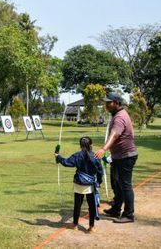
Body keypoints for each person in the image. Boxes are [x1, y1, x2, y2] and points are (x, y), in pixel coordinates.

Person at [95, 92, 138, 223]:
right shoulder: (118, 114)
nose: (107, 105)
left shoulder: (119, 117)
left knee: (125, 185)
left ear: (117, 103)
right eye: (106, 102)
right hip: (119, 156)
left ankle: (129, 214)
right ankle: (116, 209)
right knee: (118, 184)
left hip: (125, 157)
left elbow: (114, 135)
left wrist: (104, 149)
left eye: (109, 102)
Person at [55, 136, 103, 232]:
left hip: (79, 184)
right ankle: (91, 227)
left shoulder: (77, 155)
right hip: (90, 185)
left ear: (80, 146)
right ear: (91, 145)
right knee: (92, 206)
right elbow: (100, 171)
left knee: (77, 205)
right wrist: (99, 182)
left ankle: (75, 225)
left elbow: (66, 162)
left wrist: (58, 156)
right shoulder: (95, 156)